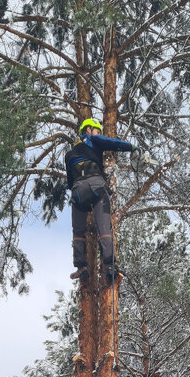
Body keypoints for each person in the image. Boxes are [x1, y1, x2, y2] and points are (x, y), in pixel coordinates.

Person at [65, 118, 135, 284]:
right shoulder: (92, 139)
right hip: (96, 186)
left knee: (78, 231)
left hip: (78, 192)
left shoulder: (69, 154)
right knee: (104, 227)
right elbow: (111, 142)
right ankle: (109, 266)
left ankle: (81, 267)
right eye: (97, 130)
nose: (98, 133)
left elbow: (69, 181)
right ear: (88, 130)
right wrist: (131, 147)